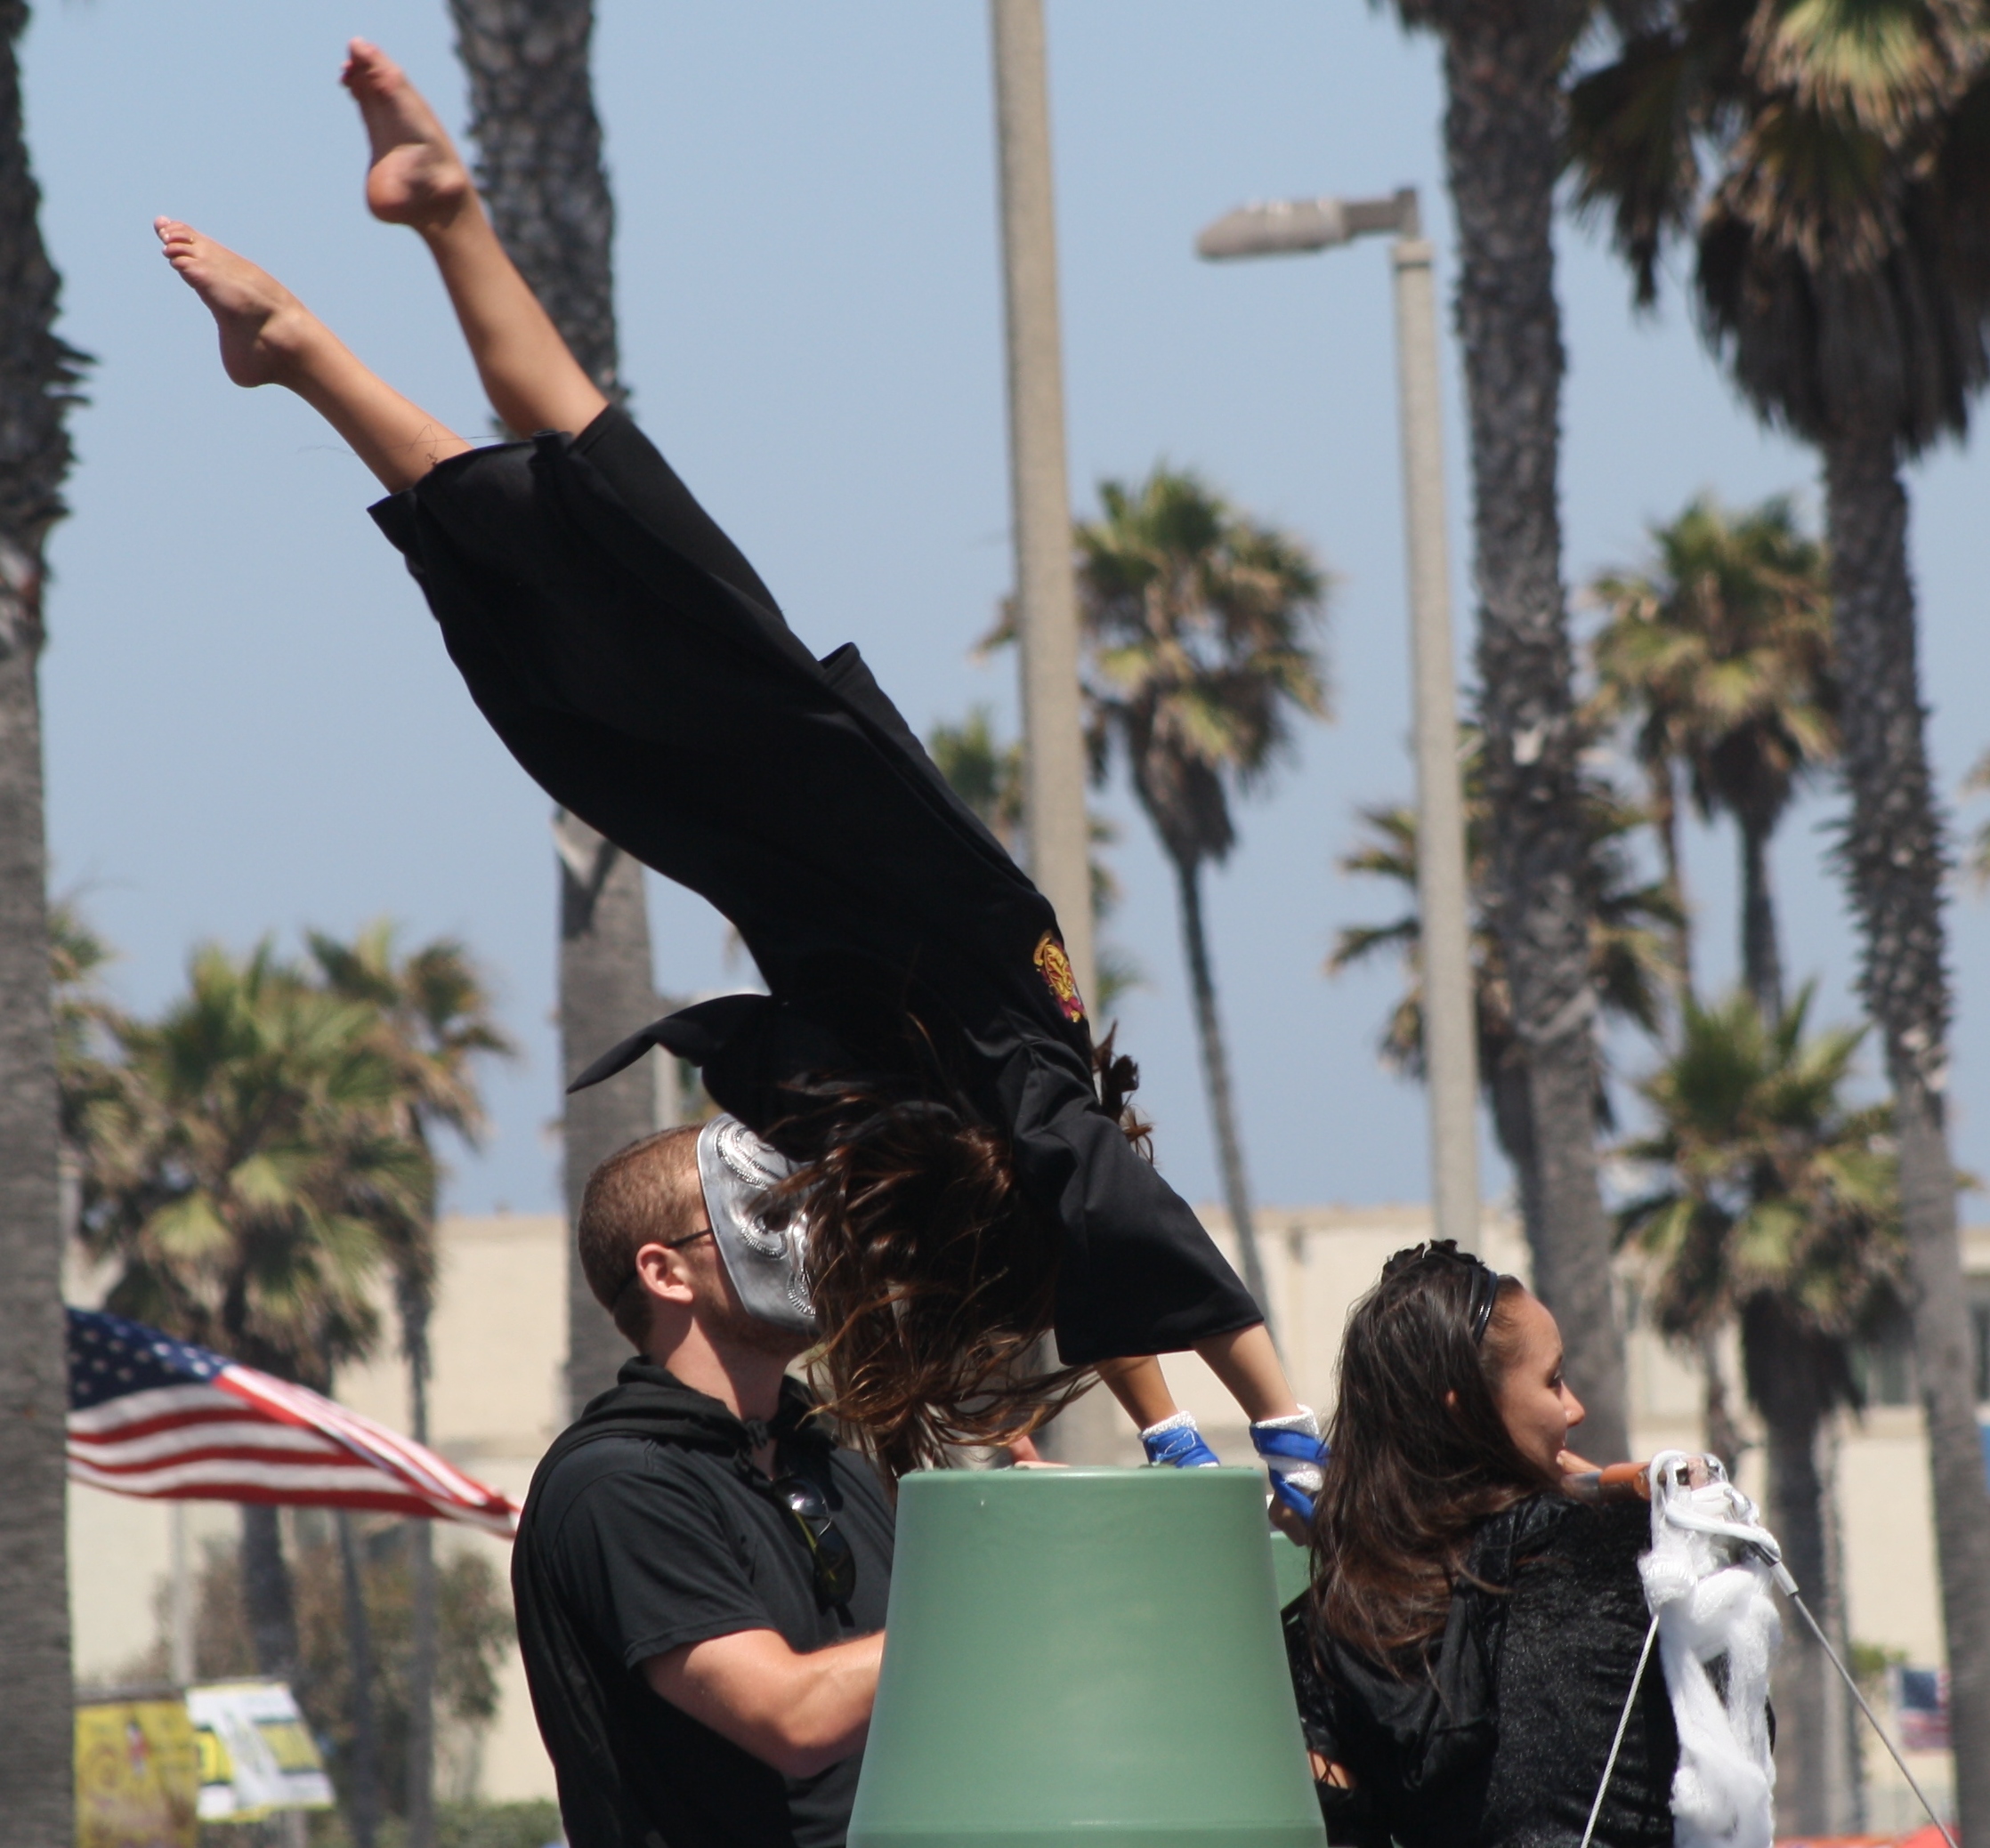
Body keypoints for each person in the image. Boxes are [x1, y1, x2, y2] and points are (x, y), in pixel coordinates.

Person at [153, 39, 1327, 1512]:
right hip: (763, 809)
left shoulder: (1002, 1096)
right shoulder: (1004, 1111)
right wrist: (1229, 1431)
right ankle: (365, 293)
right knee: (574, 551)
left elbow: (1112, 1237)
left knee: (581, 529)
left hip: (797, 802)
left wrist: (1250, 1424)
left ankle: (358, 299)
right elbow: (1113, 1238)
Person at [513, 1121, 895, 1848]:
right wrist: (987, 1594)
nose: (809, 1242)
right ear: (664, 1272)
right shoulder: (618, 1483)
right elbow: (793, 1717)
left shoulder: (837, 1467)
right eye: (771, 1217)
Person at [1287, 1242, 1683, 1848]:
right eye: (1553, 1381)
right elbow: (1732, 1745)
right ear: (1466, 1410)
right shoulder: (1621, 1559)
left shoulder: (1331, 1628)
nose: (1574, 1407)